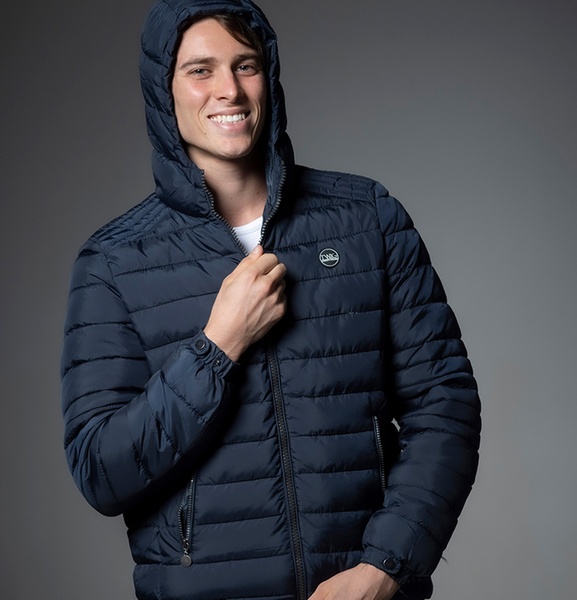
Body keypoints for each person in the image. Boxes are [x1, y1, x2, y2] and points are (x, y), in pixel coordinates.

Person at [61, 1, 481, 599]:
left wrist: (383, 569)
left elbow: (445, 406)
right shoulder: (114, 262)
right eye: (200, 70)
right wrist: (217, 348)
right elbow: (102, 472)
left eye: (246, 65)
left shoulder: (366, 218)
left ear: (269, 75)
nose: (229, 90)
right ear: (163, 89)